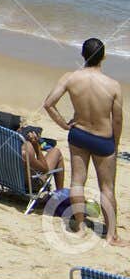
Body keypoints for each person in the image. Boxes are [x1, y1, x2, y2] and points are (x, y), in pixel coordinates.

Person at [43, 37, 124, 243]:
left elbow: (49, 103)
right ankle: (111, 235)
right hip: (102, 139)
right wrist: (115, 143)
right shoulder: (113, 85)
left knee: (77, 181)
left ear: (83, 55)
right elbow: (117, 120)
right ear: (103, 56)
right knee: (107, 187)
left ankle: (79, 227)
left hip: (78, 134)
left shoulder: (71, 78)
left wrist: (63, 124)